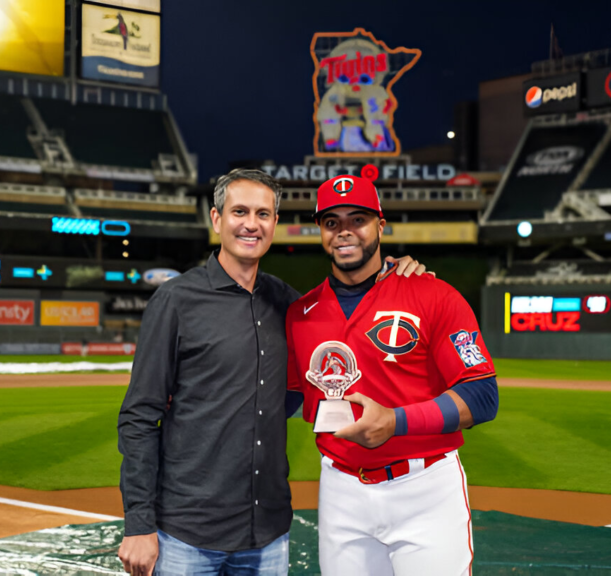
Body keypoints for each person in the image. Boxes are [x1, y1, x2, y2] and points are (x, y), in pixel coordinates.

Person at [116, 168, 428, 576]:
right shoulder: (175, 301)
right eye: (239, 211)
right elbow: (139, 416)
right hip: (186, 533)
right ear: (216, 219)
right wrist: (139, 523)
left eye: (263, 214)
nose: (251, 224)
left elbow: (345, 329)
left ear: (275, 224)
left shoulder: (290, 305)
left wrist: (398, 278)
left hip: (267, 532)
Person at [285, 174, 500, 576]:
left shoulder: (433, 294)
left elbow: (483, 395)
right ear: (320, 230)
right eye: (332, 222)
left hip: (425, 488)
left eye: (358, 220)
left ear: (380, 226)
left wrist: (394, 421)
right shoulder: (301, 314)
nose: (344, 232)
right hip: (341, 490)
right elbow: (286, 396)